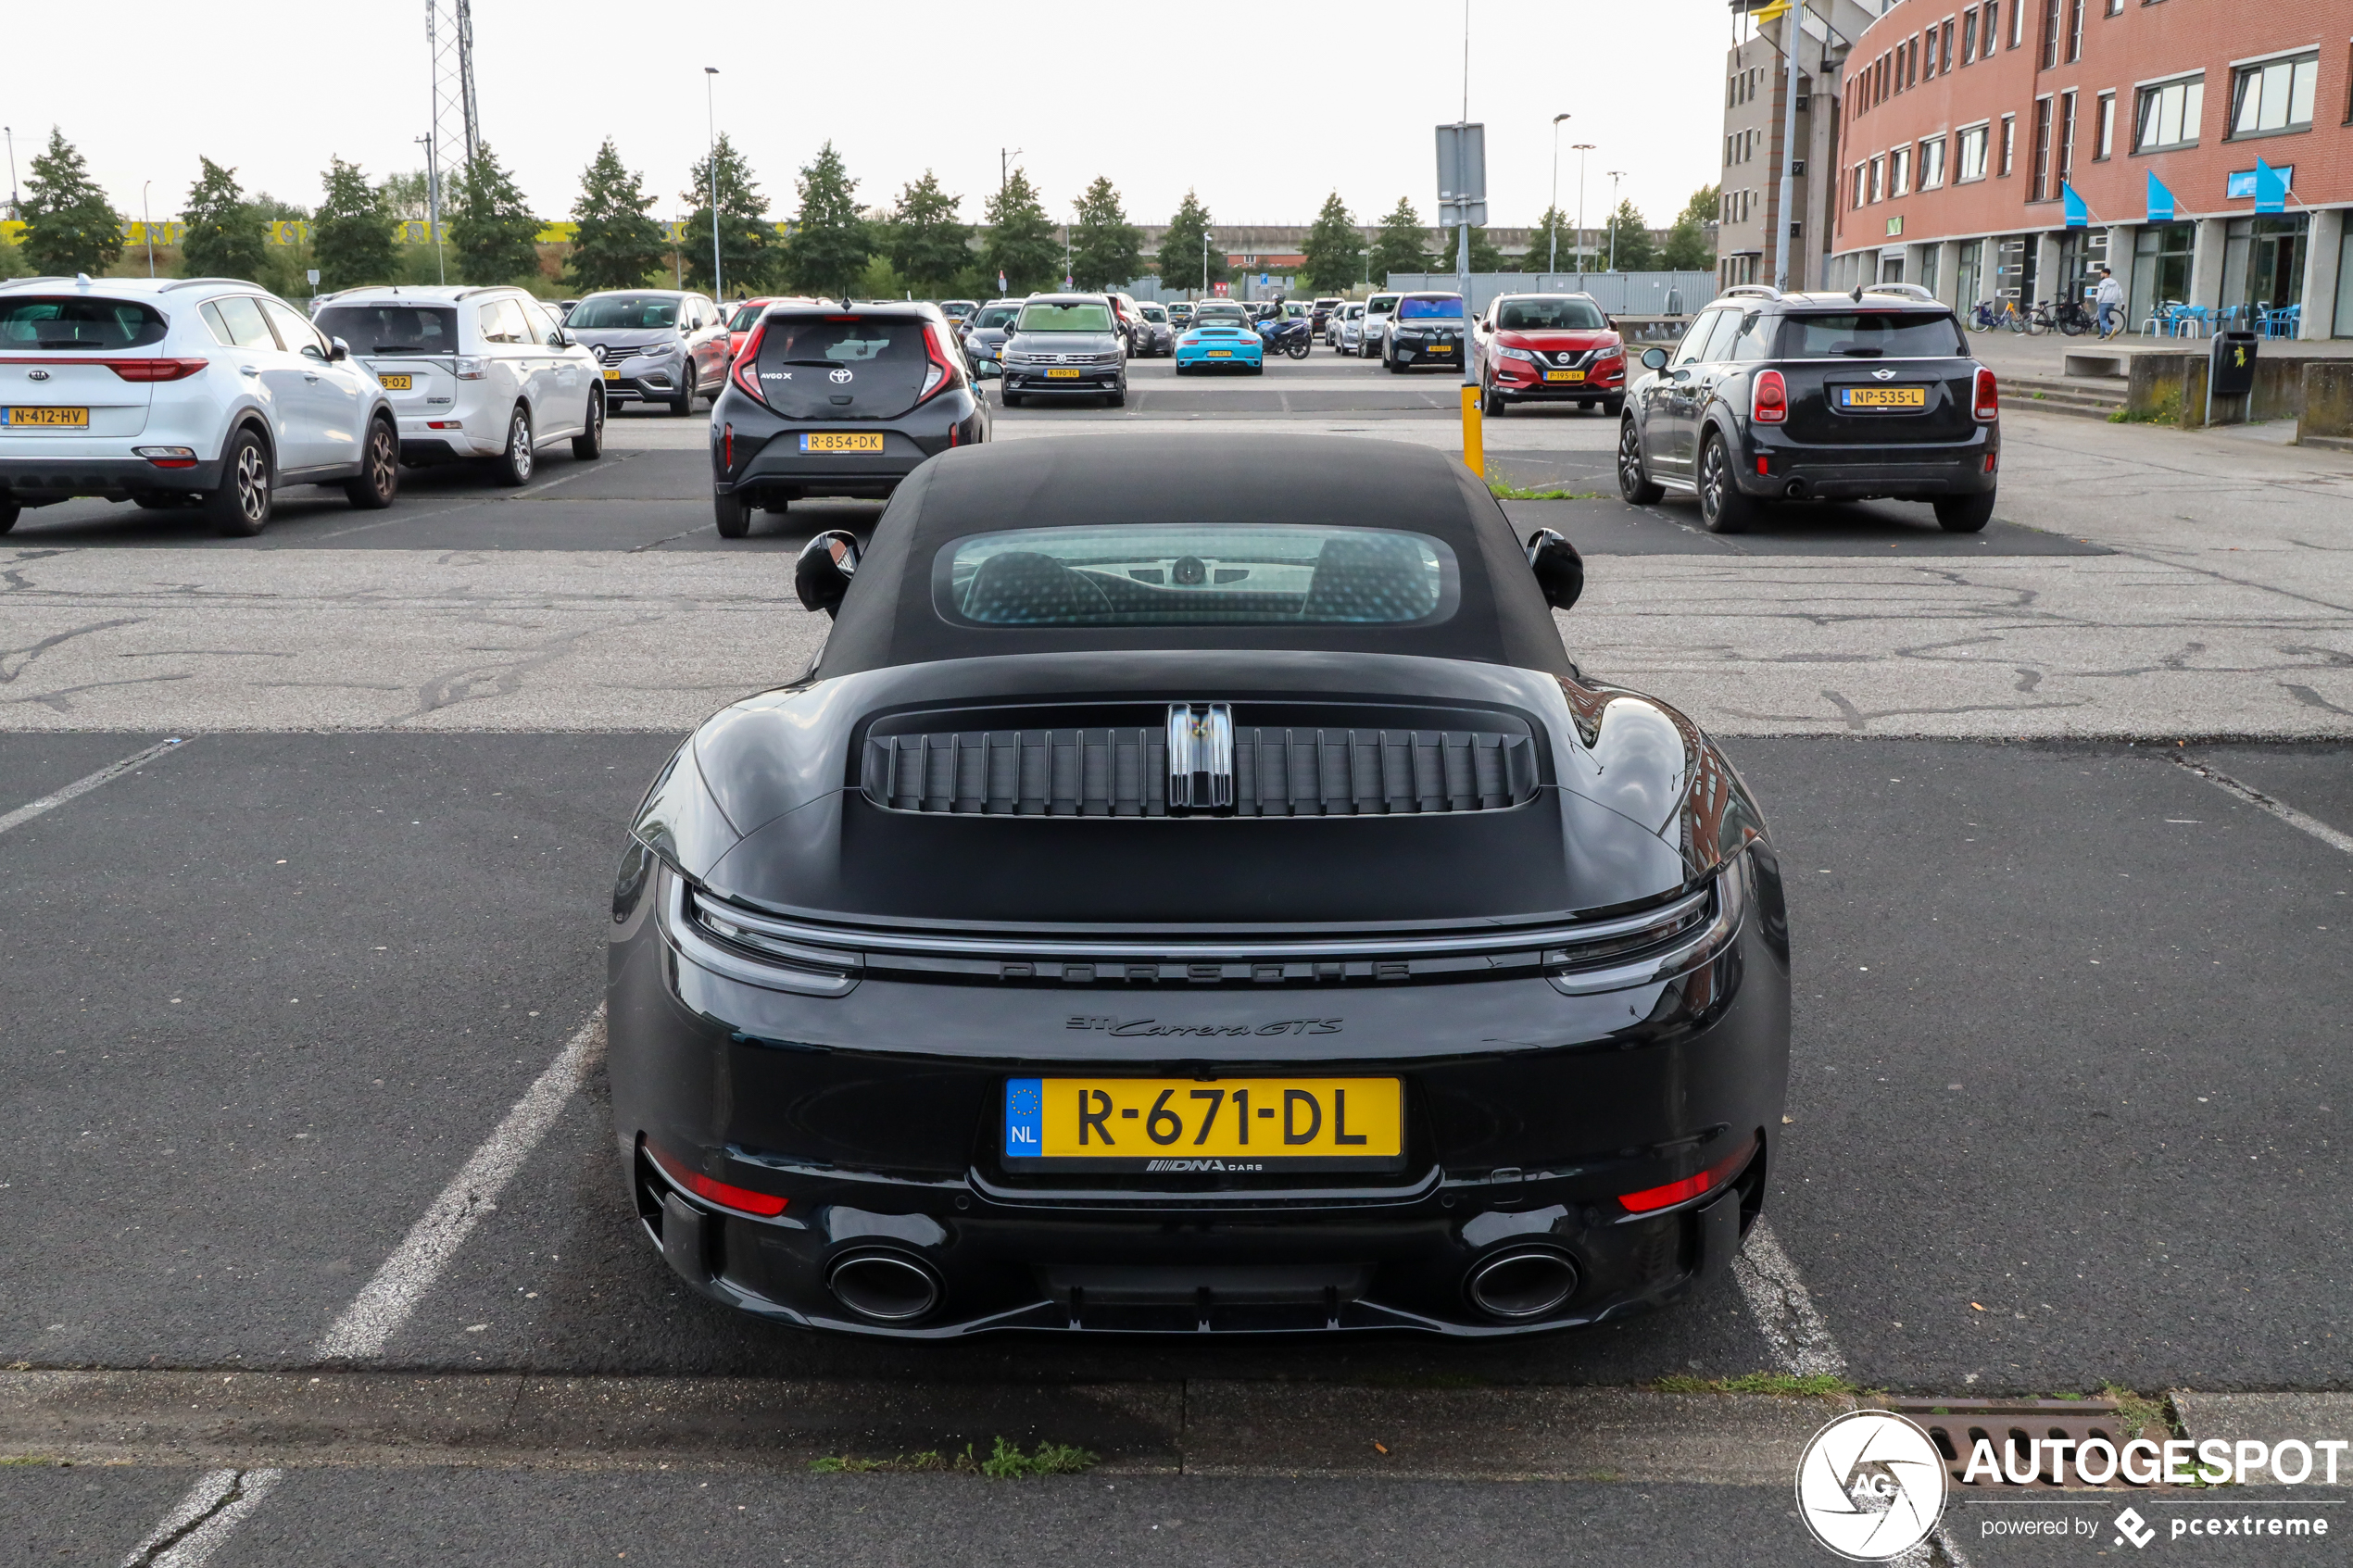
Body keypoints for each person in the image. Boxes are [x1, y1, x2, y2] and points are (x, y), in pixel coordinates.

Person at [2093, 267, 2124, 338]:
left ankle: (2111, 329)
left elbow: (2100, 293)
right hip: (2112, 303)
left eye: (2102, 273)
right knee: (2104, 318)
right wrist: (2122, 302)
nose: (2100, 275)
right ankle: (2102, 335)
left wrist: (2098, 301)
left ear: (2106, 274)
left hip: (2103, 302)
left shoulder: (2103, 283)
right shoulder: (2115, 283)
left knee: (2102, 320)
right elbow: (2119, 292)